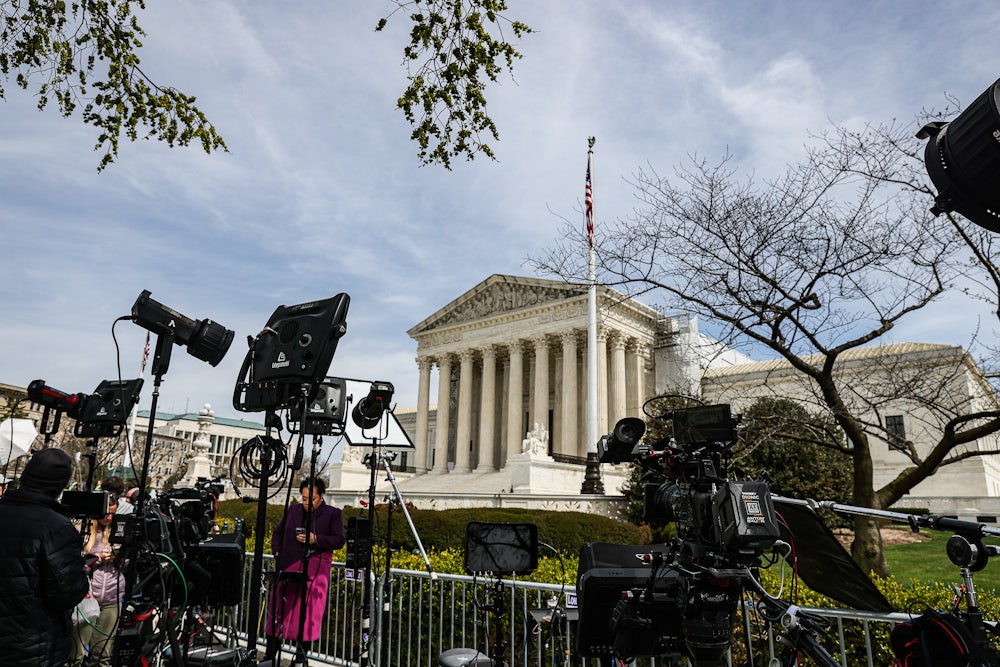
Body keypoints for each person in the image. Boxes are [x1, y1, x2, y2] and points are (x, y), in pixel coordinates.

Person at [0, 447, 90, 666]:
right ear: (60, 486)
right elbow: (67, 593)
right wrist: (81, 572)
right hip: (31, 647)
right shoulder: (55, 527)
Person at [264, 477, 345, 665]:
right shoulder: (293, 510)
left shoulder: (333, 514)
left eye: (312, 499)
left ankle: (301, 658)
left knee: (307, 614)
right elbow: (278, 532)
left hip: (314, 571)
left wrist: (315, 539)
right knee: (278, 611)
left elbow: (339, 540)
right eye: (304, 498)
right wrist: (277, 552)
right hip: (288, 565)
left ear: (322, 496)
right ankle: (270, 656)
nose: (307, 503)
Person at [71, 496, 124, 667]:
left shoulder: (118, 531)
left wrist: (120, 557)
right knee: (75, 655)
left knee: (102, 655)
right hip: (85, 599)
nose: (109, 518)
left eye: (113, 514)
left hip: (111, 599)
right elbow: (73, 562)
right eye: (106, 513)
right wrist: (98, 558)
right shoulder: (82, 531)